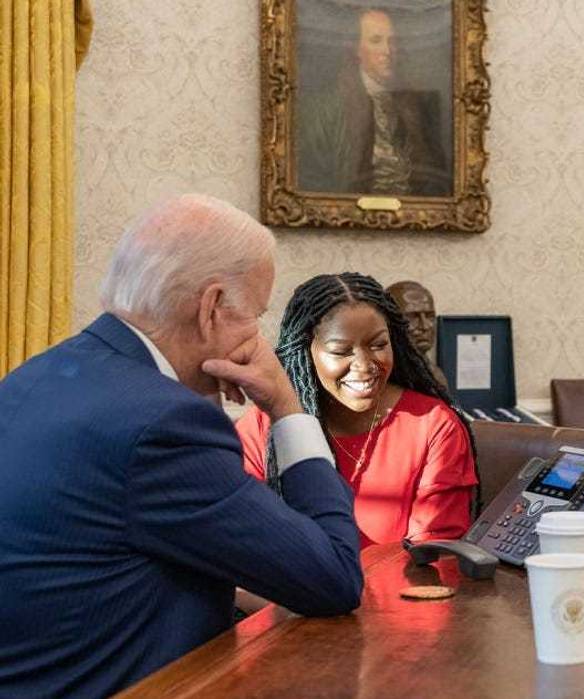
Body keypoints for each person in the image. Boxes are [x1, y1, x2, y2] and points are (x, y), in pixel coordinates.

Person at [0, 195, 363, 698]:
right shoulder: (163, 425)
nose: (258, 339)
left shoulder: (35, 378)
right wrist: (286, 406)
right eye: (254, 315)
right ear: (211, 308)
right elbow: (333, 578)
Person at [235, 273, 479, 548]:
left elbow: (432, 553)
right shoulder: (262, 431)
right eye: (341, 351)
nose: (364, 365)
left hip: (399, 590)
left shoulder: (433, 426)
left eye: (378, 345)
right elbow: (247, 544)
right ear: (305, 350)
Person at [298, 7, 450, 196]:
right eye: (376, 41)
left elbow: (436, 180)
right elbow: (313, 180)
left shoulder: (419, 106)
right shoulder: (325, 108)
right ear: (357, 50)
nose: (387, 51)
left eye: (392, 42)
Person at [386, 279, 448, 390]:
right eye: (412, 317)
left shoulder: (435, 374)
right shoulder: (382, 377)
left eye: (429, 316)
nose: (425, 326)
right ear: (389, 322)